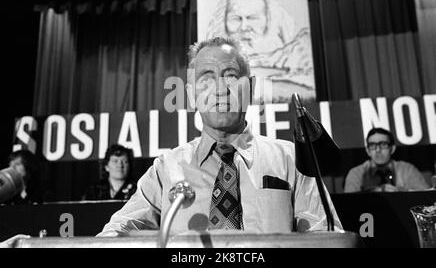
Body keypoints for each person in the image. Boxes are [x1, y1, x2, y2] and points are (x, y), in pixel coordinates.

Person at [98, 37, 342, 237]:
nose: (219, 89)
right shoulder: (166, 169)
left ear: (252, 88)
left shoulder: (292, 160)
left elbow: (326, 237)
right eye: (206, 78)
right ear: (192, 95)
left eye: (231, 76)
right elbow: (117, 233)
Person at [206, 0, 314, 102]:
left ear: (269, 20)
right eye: (236, 18)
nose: (244, 27)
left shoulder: (297, 53)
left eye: (252, 18)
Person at [344, 128, 430, 193]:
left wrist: (400, 192)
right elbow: (348, 202)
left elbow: (426, 196)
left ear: (392, 148)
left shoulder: (407, 169)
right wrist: (375, 191)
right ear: (367, 150)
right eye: (373, 145)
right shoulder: (356, 173)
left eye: (383, 144)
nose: (378, 150)